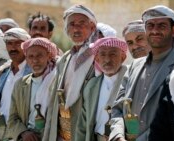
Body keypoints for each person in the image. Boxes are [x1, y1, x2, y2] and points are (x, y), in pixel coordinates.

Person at [109, 5, 174, 141]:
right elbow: (117, 109)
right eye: (150, 26)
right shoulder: (134, 66)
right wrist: (118, 136)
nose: (155, 30)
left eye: (161, 26)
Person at [42, 4, 98, 141]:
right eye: (72, 24)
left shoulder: (98, 56)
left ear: (92, 28)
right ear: (67, 29)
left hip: (86, 130)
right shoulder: (64, 59)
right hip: (62, 130)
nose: (76, 28)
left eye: (82, 23)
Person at [75, 37, 128, 141]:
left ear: (122, 57)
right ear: (97, 59)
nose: (107, 59)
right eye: (103, 55)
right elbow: (83, 123)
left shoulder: (130, 81)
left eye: (113, 54)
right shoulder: (92, 85)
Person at [7, 37, 57, 141]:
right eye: (30, 56)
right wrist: (23, 132)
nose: (35, 60)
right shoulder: (20, 85)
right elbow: (12, 118)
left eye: (39, 55)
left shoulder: (58, 81)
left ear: (49, 56)